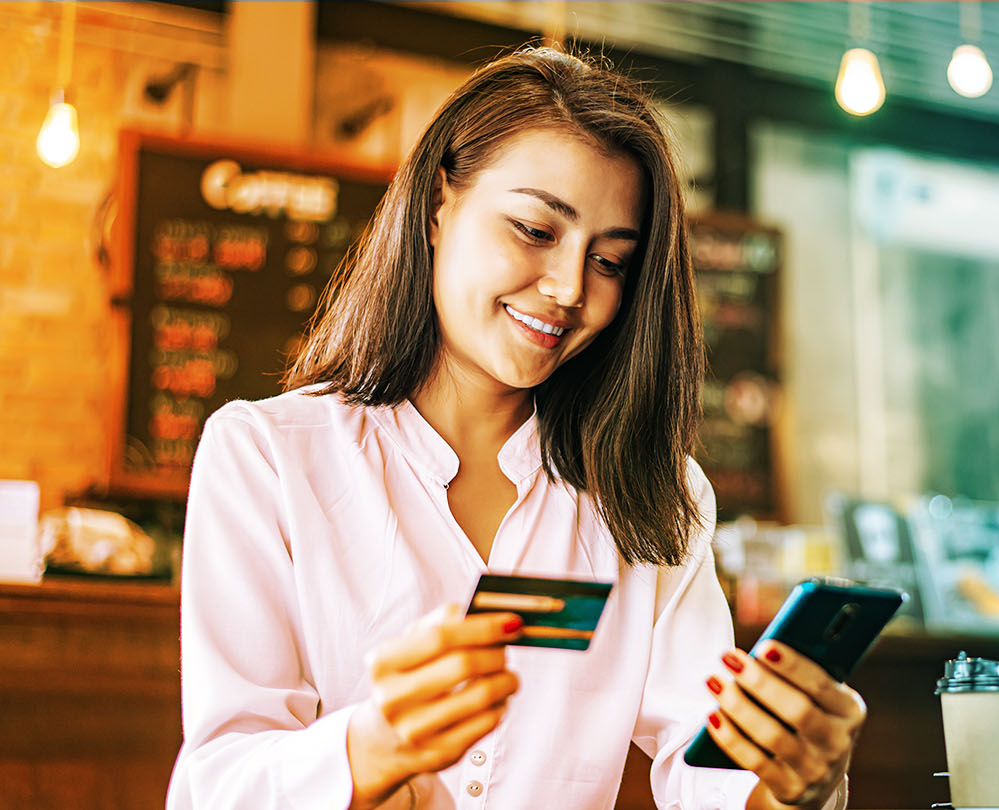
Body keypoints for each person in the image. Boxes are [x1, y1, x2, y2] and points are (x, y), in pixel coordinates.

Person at [166, 47, 865, 810]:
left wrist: (797, 783)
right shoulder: (269, 457)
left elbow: (714, 783)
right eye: (534, 230)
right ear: (438, 205)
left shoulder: (653, 496)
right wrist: (368, 750)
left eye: (609, 261)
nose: (569, 289)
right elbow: (217, 784)